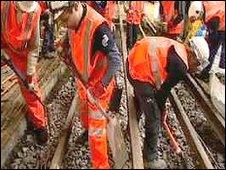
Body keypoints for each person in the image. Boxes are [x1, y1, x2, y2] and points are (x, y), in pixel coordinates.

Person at [49, 2, 122, 169]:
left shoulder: (98, 27)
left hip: (98, 85)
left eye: (65, 19)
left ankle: (101, 166)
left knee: (97, 133)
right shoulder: (73, 19)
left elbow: (116, 60)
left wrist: (102, 85)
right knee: (83, 112)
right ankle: (86, 130)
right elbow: (71, 36)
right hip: (84, 81)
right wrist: (64, 44)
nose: (64, 24)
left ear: (74, 7)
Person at [126, 36, 209, 169]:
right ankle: (150, 158)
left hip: (133, 61)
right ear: (192, 55)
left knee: (148, 100)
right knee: (154, 117)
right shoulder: (181, 67)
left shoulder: (178, 47)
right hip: (138, 72)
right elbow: (162, 92)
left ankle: (138, 106)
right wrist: (161, 111)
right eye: (197, 63)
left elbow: (160, 87)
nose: (196, 67)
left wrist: (160, 106)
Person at [1, 1, 48, 145]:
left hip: (22, 53)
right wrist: (3, 51)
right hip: (3, 46)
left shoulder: (36, 11)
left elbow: (34, 47)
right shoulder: (3, 6)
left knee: (31, 88)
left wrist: (29, 73)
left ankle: (40, 125)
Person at [197, 1, 225, 81]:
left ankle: (205, 73)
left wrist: (210, 34)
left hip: (220, 28)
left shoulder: (210, 8)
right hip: (221, 27)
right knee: (220, 51)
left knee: (211, 51)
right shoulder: (213, 4)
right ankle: (221, 70)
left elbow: (214, 22)